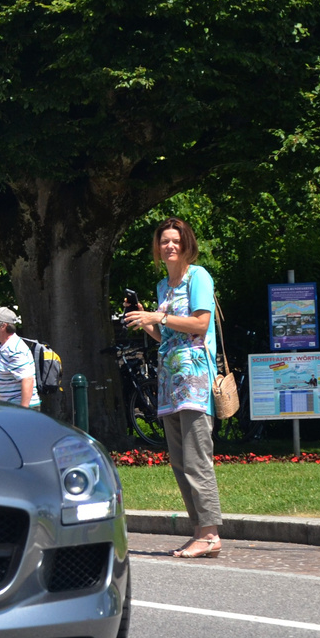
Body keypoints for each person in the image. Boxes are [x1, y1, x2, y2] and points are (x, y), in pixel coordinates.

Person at [122, 217, 222, 558]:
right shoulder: (163, 286)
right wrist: (144, 318)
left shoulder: (199, 277)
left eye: (175, 240)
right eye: (164, 241)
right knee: (180, 463)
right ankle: (200, 532)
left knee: (197, 459)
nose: (170, 246)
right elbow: (165, 336)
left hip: (195, 381)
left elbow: (200, 323)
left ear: (186, 244)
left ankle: (210, 534)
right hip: (169, 383)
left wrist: (158, 317)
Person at [0, 307, 39, 409]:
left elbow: (27, 379)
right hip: (13, 406)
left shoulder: (13, 350)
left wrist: (24, 410)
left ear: (3, 326)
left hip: (20, 408)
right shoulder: (8, 346)